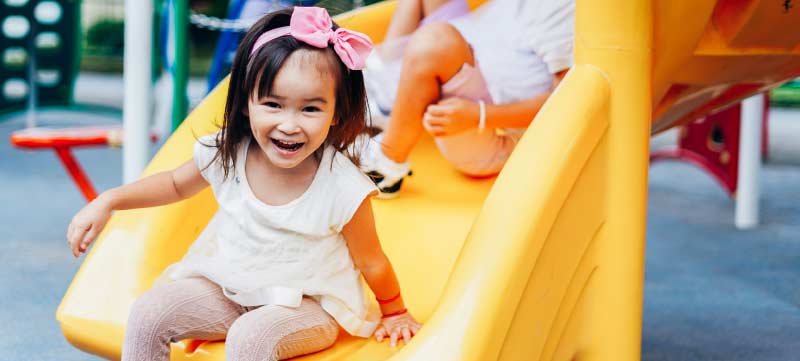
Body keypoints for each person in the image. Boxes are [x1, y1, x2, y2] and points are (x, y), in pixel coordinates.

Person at [65, 7, 421, 361]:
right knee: (149, 313)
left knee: (250, 338)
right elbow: (174, 184)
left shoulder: (342, 186)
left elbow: (372, 261)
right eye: (273, 104)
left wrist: (395, 311)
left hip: (308, 306)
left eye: (310, 109)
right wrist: (109, 200)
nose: (289, 124)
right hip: (231, 288)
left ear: (336, 114)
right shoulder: (230, 151)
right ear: (247, 104)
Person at [360, 0, 575, 197]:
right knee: (436, 38)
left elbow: (565, 105)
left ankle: (386, 165)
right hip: (473, 55)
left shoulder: (568, 13)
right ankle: (387, 87)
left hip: (487, 128)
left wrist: (478, 116)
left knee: (435, 41)